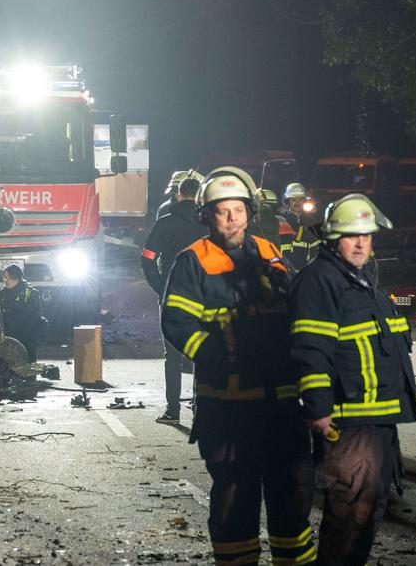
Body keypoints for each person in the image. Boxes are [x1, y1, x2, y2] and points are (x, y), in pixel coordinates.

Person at [161, 166, 315, 566]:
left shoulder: (270, 254)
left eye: (238, 210)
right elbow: (176, 322)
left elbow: (293, 310)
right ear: (205, 216)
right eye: (221, 211)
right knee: (235, 499)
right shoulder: (192, 262)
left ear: (250, 212)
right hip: (227, 407)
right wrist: (216, 356)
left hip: (281, 404)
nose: (231, 219)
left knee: (293, 495)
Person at [287, 193, 416, 566]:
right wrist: (319, 408)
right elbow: (310, 346)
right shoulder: (321, 281)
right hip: (348, 423)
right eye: (351, 236)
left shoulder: (363, 283)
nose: (361, 243)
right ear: (332, 239)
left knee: (364, 517)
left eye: (367, 235)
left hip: (377, 419)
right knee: (349, 519)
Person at [140, 176, 206, 423]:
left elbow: (147, 257)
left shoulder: (164, 223)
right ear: (199, 196)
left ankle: (173, 411)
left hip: (172, 296)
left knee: (173, 355)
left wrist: (160, 286)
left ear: (179, 194)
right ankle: (199, 408)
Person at [0, 264, 45, 361]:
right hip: (10, 336)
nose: (5, 280)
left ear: (16, 277)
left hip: (26, 335)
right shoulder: (3, 292)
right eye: (4, 277)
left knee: (27, 362)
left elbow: (32, 317)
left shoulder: (30, 293)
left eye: (7, 277)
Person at [279, 183, 320, 270]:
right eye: (293, 199)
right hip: (284, 268)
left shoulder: (311, 222)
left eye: (300, 199)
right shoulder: (280, 220)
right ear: (287, 201)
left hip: (305, 269)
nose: (297, 203)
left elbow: (316, 248)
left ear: (304, 201)